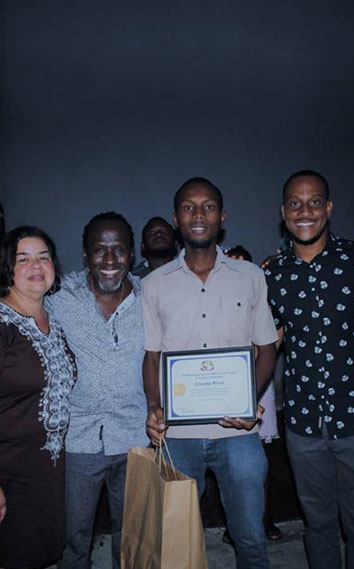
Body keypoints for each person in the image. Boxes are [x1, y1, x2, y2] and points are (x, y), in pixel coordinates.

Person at [264, 170, 354, 569]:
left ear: (328, 207)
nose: (304, 210)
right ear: (283, 212)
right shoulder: (272, 275)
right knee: (318, 526)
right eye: (295, 202)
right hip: (303, 425)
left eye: (313, 201)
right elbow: (269, 346)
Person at [141, 177, 278, 569]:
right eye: (188, 207)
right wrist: (154, 405)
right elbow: (152, 358)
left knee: (251, 539)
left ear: (222, 216)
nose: (198, 214)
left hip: (239, 433)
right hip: (178, 435)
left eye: (208, 206)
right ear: (175, 218)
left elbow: (266, 348)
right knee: (177, 544)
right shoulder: (153, 285)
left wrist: (249, 399)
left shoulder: (251, 276)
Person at [48, 212, 149, 569]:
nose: (109, 260)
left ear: (132, 254)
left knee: (133, 536)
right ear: (85, 253)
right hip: (79, 442)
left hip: (136, 437)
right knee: (74, 538)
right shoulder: (58, 297)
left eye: (118, 250)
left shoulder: (149, 297)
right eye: (99, 250)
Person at [0, 226, 76, 569]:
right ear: (7, 268)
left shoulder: (52, 321)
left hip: (48, 473)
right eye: (23, 258)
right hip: (9, 475)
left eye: (43, 257)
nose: (36, 266)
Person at [223, 245, 282, 543]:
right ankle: (233, 524)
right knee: (230, 458)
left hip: (260, 384)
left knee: (259, 458)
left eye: (242, 265)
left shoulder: (263, 303)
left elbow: (273, 345)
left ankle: (264, 518)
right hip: (222, 385)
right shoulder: (214, 304)